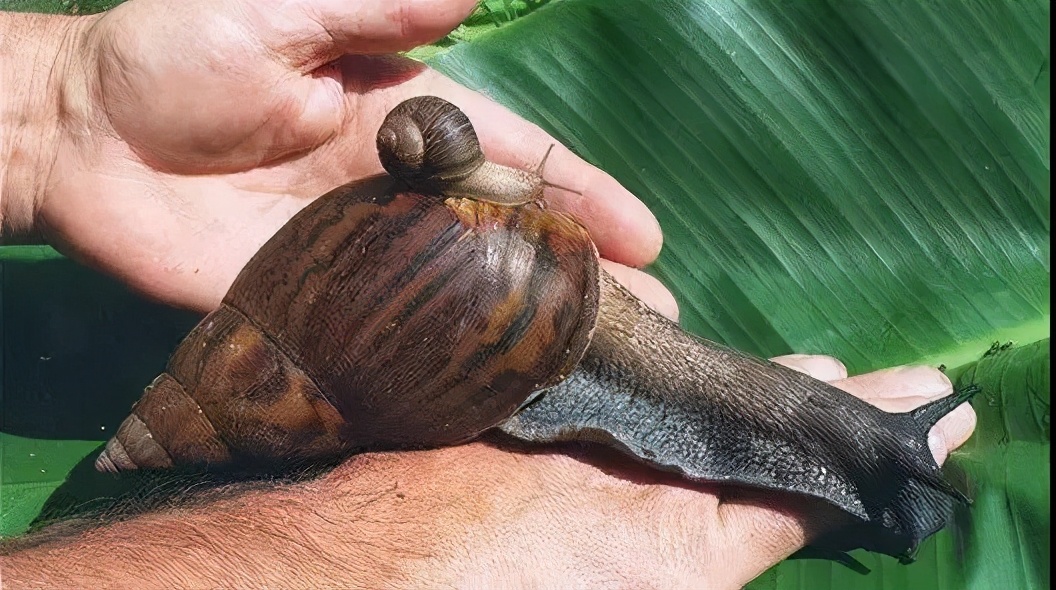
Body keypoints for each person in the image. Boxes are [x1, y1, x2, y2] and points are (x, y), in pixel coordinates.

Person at [0, 1, 977, 587]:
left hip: (364, 337)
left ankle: (860, 455)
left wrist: (57, 107)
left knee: (625, 333)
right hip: (339, 366)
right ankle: (870, 456)